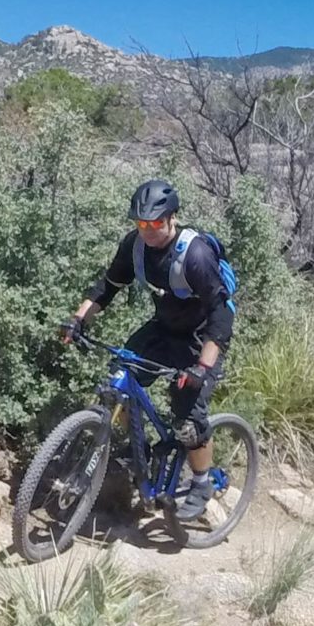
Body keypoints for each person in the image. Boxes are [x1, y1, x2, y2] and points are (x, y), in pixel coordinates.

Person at [60, 179, 236, 519]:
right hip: (163, 331)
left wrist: (202, 368)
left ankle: (201, 483)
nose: (149, 230)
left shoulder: (195, 254)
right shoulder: (135, 246)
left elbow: (221, 314)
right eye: (141, 223)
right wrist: (78, 320)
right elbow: (107, 287)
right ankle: (138, 450)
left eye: (156, 223)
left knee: (188, 419)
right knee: (119, 382)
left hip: (202, 340)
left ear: (172, 218)